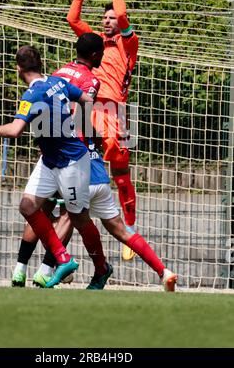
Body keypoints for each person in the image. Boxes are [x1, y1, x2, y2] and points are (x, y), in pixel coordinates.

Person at [11, 38, 177, 291]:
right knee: (110, 225)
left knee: (51, 210)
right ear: (97, 54)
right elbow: (86, 111)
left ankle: (49, 269)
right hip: (93, 165)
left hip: (71, 161)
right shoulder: (92, 83)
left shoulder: (57, 78)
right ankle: (162, 271)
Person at [0, 44, 112, 288]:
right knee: (27, 206)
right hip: (50, 161)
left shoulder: (31, 95)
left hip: (72, 163)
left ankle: (101, 268)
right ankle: (62, 258)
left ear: (19, 68)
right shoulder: (56, 82)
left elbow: (15, 130)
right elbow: (86, 98)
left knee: (80, 219)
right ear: (39, 64)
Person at [12, 142, 177, 292]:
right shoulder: (85, 117)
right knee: (121, 231)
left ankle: (45, 270)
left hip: (79, 177)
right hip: (100, 179)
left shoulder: (61, 120)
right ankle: (163, 272)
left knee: (57, 214)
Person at [66, 0, 138, 261]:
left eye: (112, 18)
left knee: (121, 173)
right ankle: (66, 236)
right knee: (74, 168)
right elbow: (72, 18)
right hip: (86, 108)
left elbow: (123, 15)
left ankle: (130, 229)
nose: (108, 21)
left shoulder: (128, 43)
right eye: (105, 18)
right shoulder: (95, 41)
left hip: (114, 111)